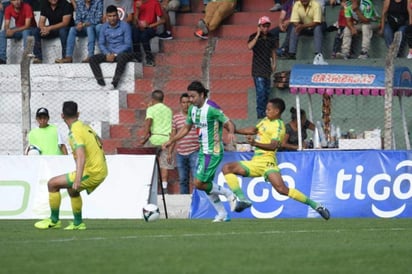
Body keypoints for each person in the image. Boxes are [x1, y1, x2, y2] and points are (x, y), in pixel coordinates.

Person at [221, 98, 330, 220]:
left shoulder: (279, 126)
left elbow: (274, 146)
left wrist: (255, 144)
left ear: (277, 111)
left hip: (268, 163)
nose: (266, 111)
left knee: (282, 189)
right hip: (256, 162)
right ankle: (242, 199)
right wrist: (234, 130)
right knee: (227, 168)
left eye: (269, 109)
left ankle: (316, 205)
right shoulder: (266, 120)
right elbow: (254, 130)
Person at [162, 81, 237, 222]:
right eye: (189, 96)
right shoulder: (192, 110)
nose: (190, 100)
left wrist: (231, 132)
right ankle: (222, 213)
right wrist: (172, 140)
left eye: (193, 96)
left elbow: (228, 122)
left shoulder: (212, 108)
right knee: (204, 184)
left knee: (198, 183)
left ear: (202, 95)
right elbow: (186, 128)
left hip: (213, 151)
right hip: (203, 151)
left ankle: (229, 194)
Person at [34, 101, 108, 230]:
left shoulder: (74, 132)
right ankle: (78, 223)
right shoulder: (86, 127)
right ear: (78, 114)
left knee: (52, 184)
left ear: (62, 116)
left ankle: (54, 220)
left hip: (93, 171)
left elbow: (81, 155)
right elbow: (100, 141)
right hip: (100, 168)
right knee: (72, 189)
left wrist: (78, 177)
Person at [89, 4, 135, 88]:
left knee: (122, 57)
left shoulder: (125, 26)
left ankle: (115, 82)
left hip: (123, 53)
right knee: (92, 59)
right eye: (110, 16)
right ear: (106, 16)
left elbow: (128, 45)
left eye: (114, 15)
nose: (112, 18)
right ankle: (100, 81)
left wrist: (115, 54)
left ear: (118, 16)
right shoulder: (104, 27)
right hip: (109, 54)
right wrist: (107, 54)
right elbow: (101, 43)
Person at [139, 89, 174, 193]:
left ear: (153, 99)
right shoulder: (169, 110)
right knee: (164, 164)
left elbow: (148, 122)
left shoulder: (151, 109)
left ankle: (148, 185)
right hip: (166, 139)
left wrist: (144, 137)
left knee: (148, 162)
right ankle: (164, 187)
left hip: (154, 138)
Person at [168, 93, 199, 194]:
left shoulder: (196, 116)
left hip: (195, 151)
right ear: (180, 104)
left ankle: (197, 199)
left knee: (196, 179)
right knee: (183, 179)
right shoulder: (175, 118)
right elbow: (173, 136)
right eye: (183, 102)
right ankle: (184, 201)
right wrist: (169, 153)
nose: (186, 105)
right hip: (181, 153)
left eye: (188, 102)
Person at [248, 16, 277, 119]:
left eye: (267, 26)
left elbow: (273, 51)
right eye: (263, 26)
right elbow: (249, 46)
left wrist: (274, 63)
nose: (265, 29)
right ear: (259, 26)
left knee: (267, 92)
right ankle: (260, 115)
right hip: (257, 69)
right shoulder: (253, 36)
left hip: (267, 68)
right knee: (261, 93)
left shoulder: (271, 37)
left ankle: (266, 113)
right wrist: (257, 35)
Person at [0, 0, 42, 64]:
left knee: (25, 32)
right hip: (19, 29)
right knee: (2, 33)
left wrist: (13, 31)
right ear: (11, 1)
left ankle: (26, 57)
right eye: (14, 0)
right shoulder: (8, 8)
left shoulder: (27, 7)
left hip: (31, 28)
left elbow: (27, 26)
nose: (17, 2)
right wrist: (8, 30)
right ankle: (2, 58)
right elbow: (6, 24)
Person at [287, 0, 328, 65]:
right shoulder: (296, 5)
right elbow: (294, 21)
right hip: (305, 26)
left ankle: (318, 55)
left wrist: (302, 26)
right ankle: (291, 54)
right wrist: (298, 26)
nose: (304, 0)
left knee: (317, 28)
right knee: (294, 28)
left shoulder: (316, 5)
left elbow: (316, 22)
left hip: (318, 25)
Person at [132, 0, 166, 66]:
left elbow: (163, 20)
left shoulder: (154, 2)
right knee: (134, 32)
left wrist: (149, 26)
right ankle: (137, 56)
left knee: (143, 36)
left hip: (151, 27)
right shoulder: (136, 3)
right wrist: (138, 9)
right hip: (139, 27)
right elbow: (134, 22)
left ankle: (149, 58)